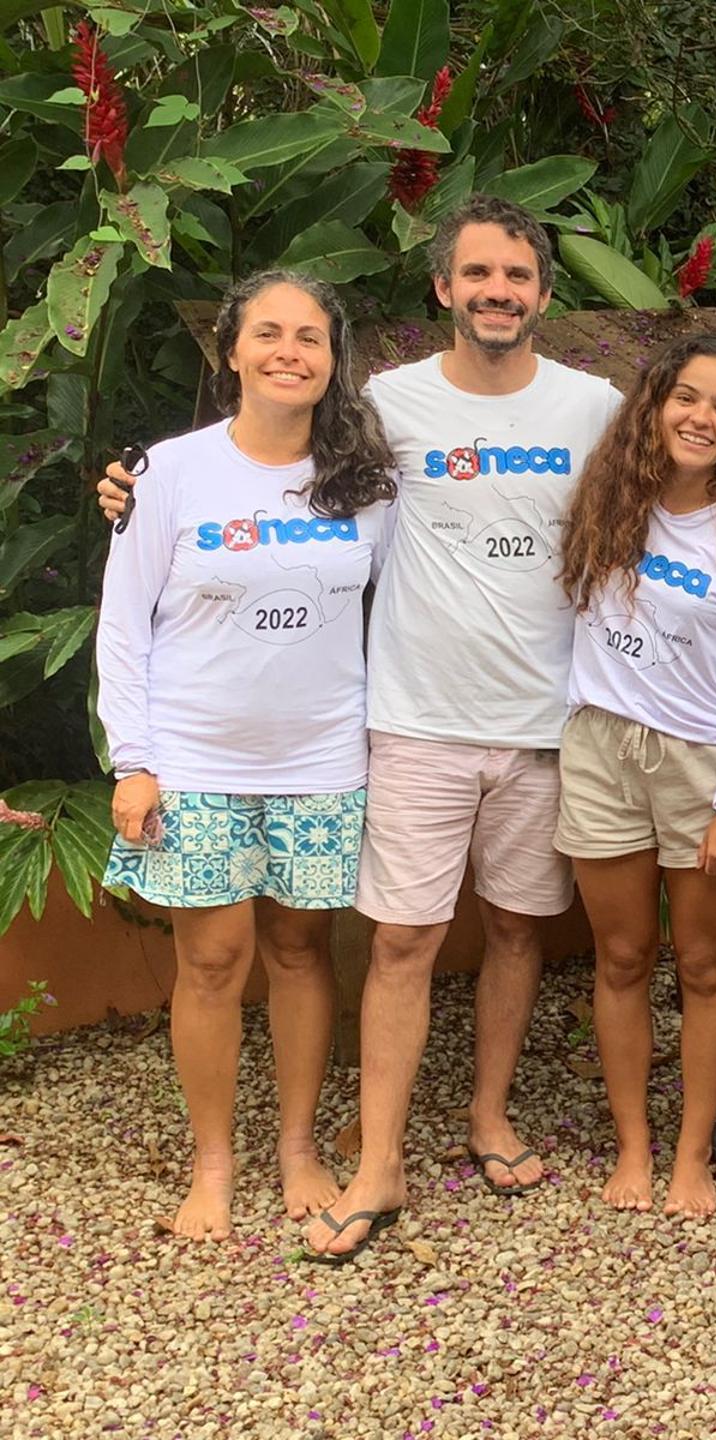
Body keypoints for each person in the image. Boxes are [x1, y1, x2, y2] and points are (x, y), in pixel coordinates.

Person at [103, 195, 625, 1260]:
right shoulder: (379, 413)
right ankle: (333, 1161)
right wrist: (125, 488)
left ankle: (451, 1121)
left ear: (543, 292)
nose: (497, 292)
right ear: (443, 289)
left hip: (506, 724)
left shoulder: (572, 413)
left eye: (516, 276)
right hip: (396, 724)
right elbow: (139, 598)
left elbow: (669, 486)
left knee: (492, 931)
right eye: (476, 274)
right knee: (380, 943)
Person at [95, 269, 395, 1241]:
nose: (289, 352)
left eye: (310, 337)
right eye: (268, 333)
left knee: (302, 952)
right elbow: (123, 626)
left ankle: (298, 1147)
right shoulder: (168, 474)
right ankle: (212, 1164)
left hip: (320, 755)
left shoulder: (364, 479)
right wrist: (132, 759)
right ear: (230, 352)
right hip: (195, 757)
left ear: (331, 361)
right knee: (214, 959)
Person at [556, 332, 716, 1218]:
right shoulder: (606, 502)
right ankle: (633, 1147)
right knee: (620, 957)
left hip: (703, 770)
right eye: (686, 397)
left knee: (701, 963)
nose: (701, 418)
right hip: (602, 752)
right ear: (655, 404)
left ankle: (692, 1152)